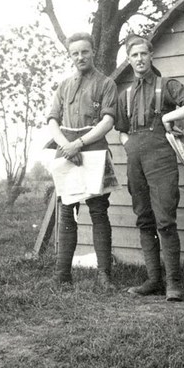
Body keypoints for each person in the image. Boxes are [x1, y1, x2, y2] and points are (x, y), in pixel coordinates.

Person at [115, 34, 184, 301]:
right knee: (144, 219)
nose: (139, 59)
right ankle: (154, 280)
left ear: (151, 55)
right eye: (134, 56)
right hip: (135, 160)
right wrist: (128, 144)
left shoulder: (166, 86)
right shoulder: (125, 94)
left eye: (143, 54)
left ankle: (173, 283)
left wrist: (169, 116)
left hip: (161, 158)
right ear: (129, 61)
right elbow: (120, 129)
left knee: (165, 219)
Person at [47, 32, 118, 289]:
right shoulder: (64, 85)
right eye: (75, 53)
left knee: (99, 211)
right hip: (66, 150)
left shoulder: (106, 83)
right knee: (67, 212)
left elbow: (108, 121)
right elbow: (53, 120)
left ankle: (104, 275)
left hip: (93, 148)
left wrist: (80, 143)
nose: (80, 57)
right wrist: (66, 144)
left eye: (84, 51)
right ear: (70, 56)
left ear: (93, 52)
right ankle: (62, 275)